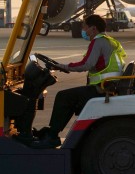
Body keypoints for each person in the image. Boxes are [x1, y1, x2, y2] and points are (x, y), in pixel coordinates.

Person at [33, 14, 127, 148]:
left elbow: (86, 65)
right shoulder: (109, 41)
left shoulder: (98, 42)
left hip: (102, 88)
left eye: (85, 27)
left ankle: (52, 136)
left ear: (93, 28)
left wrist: (62, 66)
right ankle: (52, 131)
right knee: (71, 98)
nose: (83, 30)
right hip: (108, 85)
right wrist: (62, 66)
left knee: (63, 96)